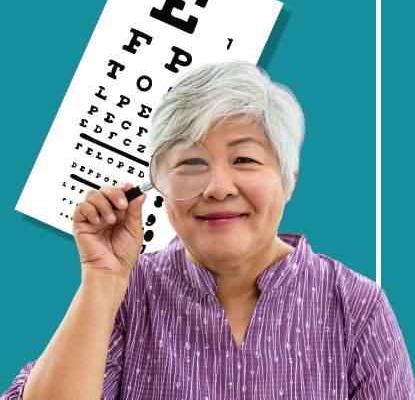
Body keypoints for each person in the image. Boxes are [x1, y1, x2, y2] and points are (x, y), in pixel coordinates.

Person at [2, 61, 414, 400]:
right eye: (191, 164)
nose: (217, 188)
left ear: (289, 178)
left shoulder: (357, 307)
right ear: (158, 184)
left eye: (245, 160)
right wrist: (102, 279)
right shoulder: (126, 294)